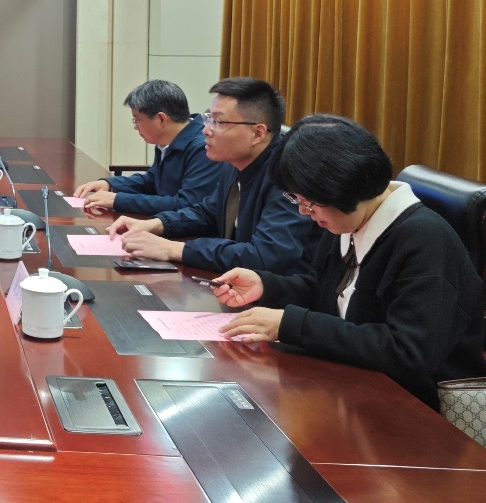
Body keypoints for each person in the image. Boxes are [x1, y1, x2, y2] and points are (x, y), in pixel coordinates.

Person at [215, 115, 486, 409]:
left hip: (419, 410)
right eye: (297, 199)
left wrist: (291, 324)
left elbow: (408, 353)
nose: (304, 212)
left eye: (309, 202)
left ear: (343, 188)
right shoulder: (348, 220)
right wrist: (267, 286)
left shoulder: (425, 241)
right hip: (354, 384)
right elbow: (327, 291)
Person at [108, 77, 325, 274]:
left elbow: (265, 255)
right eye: (208, 119)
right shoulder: (233, 163)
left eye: (218, 122)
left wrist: (174, 249)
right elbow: (209, 212)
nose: (206, 130)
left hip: (281, 295)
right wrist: (158, 224)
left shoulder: (289, 177)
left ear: (257, 133)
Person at [74, 79, 220, 216]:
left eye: (137, 120)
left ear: (161, 119)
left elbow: (186, 204)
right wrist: (110, 184)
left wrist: (118, 200)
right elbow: (152, 181)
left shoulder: (203, 148)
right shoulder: (167, 141)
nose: (135, 127)